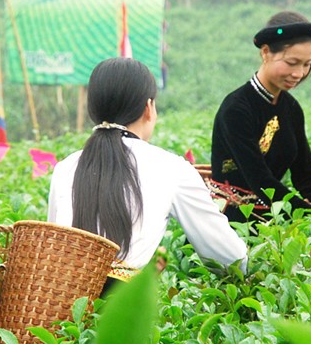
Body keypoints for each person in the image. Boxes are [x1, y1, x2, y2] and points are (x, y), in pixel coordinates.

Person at [48, 58, 247, 283]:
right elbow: (230, 258)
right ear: (148, 108)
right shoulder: (172, 169)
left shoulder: (65, 168)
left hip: (62, 306)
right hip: (124, 309)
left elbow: (58, 247)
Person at [210, 11, 311, 222]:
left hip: (273, 220)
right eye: (292, 63)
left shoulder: (291, 108)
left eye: (306, 64)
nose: (299, 73)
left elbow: (305, 170)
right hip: (232, 222)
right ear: (265, 53)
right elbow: (259, 179)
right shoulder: (236, 109)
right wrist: (308, 212)